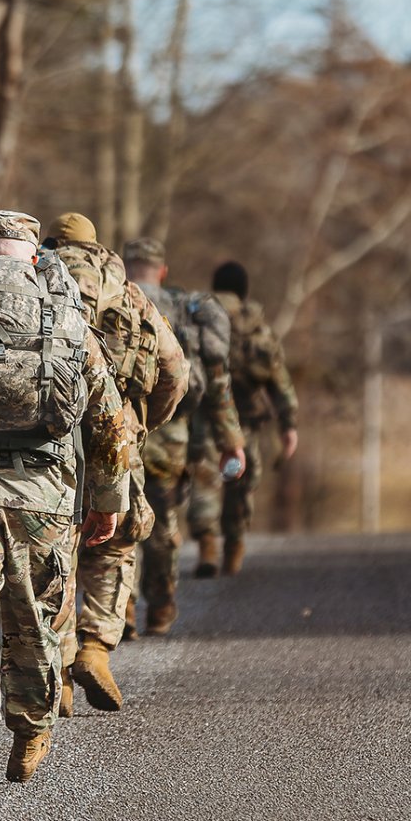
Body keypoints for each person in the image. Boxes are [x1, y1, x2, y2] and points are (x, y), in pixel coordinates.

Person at [0, 212, 136, 789]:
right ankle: (30, 733)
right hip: (41, 494)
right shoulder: (61, 310)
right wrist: (108, 499)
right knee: (36, 616)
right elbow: (108, 419)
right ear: (32, 251)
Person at [42, 213, 188, 710]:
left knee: (53, 548)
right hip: (120, 430)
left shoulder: (36, 280)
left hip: (48, 434)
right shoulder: (127, 290)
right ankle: (96, 647)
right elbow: (174, 370)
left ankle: (57, 667)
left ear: (52, 243)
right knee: (117, 537)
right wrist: (145, 424)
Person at [121, 237, 244, 635]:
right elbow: (216, 380)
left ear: (125, 266)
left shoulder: (112, 301)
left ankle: (120, 611)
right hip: (168, 435)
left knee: (116, 519)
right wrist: (231, 439)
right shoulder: (184, 309)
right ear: (162, 270)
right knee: (160, 520)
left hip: (114, 431)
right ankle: (160, 608)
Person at [187, 260, 299, 576]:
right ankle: (234, 548)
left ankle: (207, 546)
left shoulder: (199, 319)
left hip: (205, 419)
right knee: (239, 482)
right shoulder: (258, 328)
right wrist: (288, 424)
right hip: (247, 423)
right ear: (244, 290)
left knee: (205, 479)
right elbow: (280, 381)